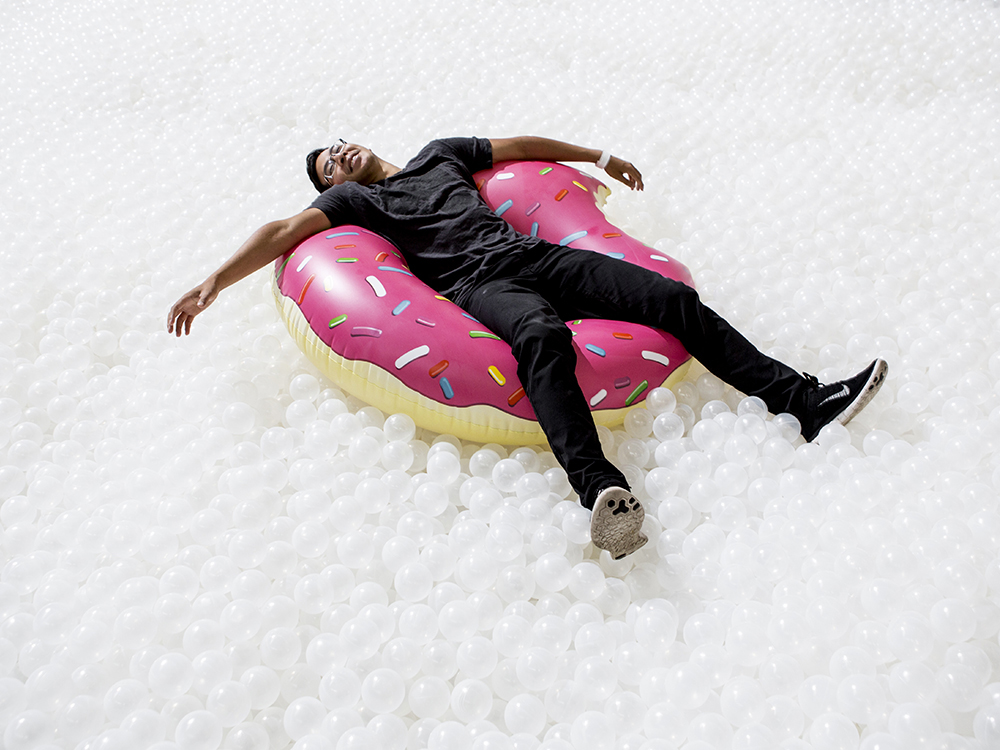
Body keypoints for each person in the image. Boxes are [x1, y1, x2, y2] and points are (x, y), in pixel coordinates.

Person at [168, 135, 887, 559]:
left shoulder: (439, 154)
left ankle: (804, 402)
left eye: (339, 145)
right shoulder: (362, 205)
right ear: (333, 184)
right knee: (540, 338)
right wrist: (212, 282)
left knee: (670, 302)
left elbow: (519, 147)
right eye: (327, 165)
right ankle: (603, 492)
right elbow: (278, 233)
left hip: (537, 254)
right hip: (482, 287)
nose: (339, 158)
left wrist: (598, 154)